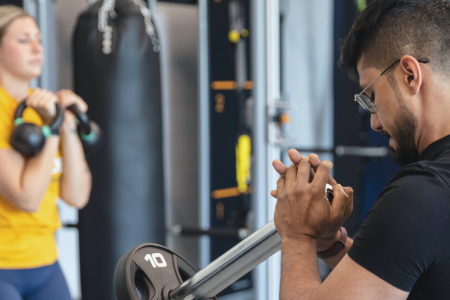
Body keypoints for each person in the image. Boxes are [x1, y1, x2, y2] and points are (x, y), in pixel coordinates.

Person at [271, 1, 450, 299]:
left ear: (409, 74)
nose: (375, 122)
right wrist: (328, 243)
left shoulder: (422, 195)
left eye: (371, 97)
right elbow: (395, 273)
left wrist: (298, 234)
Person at [0, 5, 92, 300]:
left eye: (38, 39)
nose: (37, 48)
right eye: (23, 40)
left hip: (45, 263)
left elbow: (76, 197)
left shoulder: (40, 108)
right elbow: (26, 198)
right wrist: (52, 128)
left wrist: (65, 126)